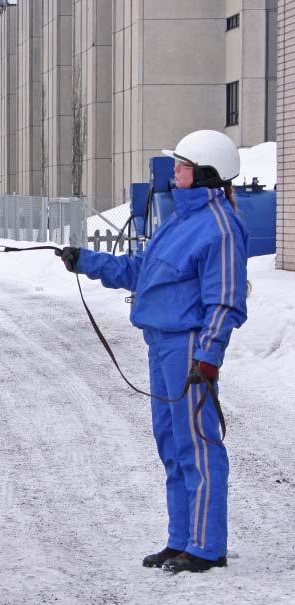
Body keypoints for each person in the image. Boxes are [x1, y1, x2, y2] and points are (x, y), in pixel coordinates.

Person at [56, 129, 248, 573]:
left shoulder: (220, 227)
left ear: (203, 173)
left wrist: (208, 358)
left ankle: (206, 545)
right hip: (160, 344)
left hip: (187, 349)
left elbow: (226, 300)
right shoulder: (179, 219)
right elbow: (143, 271)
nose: (173, 170)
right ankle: (181, 539)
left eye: (181, 165)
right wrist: (87, 261)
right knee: (171, 444)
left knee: (196, 445)